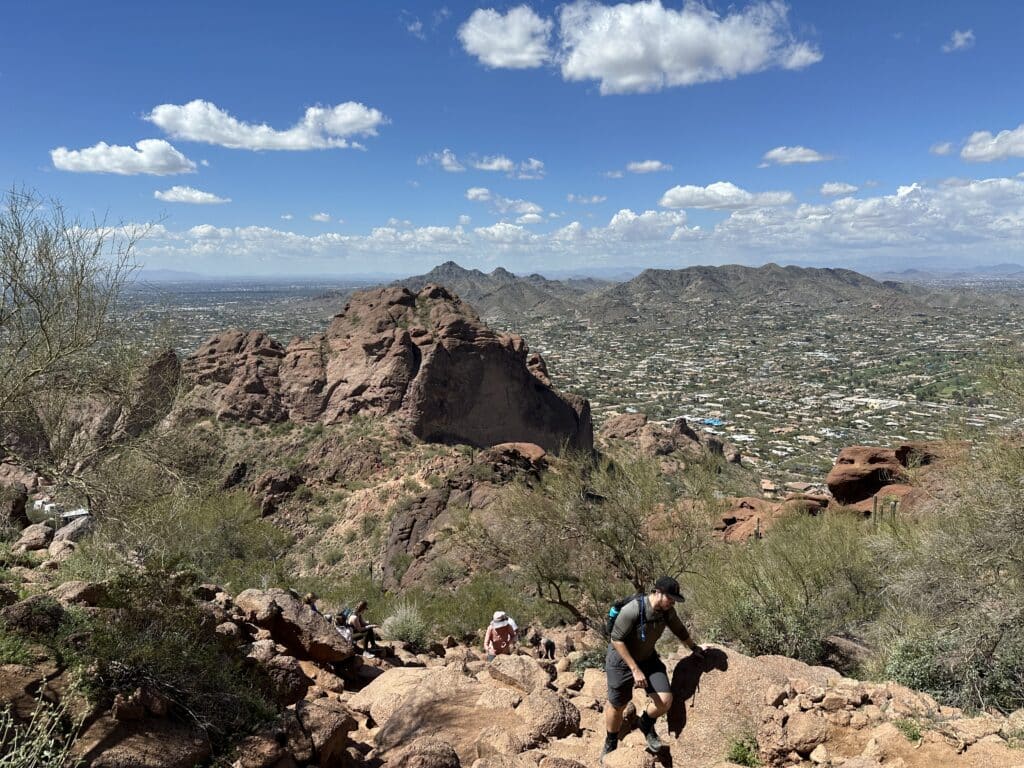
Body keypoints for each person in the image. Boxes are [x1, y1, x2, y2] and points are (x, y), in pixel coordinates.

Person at [601, 576, 704, 761]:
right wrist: (634, 669)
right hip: (621, 660)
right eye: (670, 598)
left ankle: (646, 723)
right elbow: (616, 640)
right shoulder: (633, 610)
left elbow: (679, 630)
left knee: (665, 700)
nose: (672, 602)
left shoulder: (667, 611)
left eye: (674, 599)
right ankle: (611, 742)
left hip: (647, 658)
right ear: (657, 592)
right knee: (618, 705)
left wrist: (694, 648)